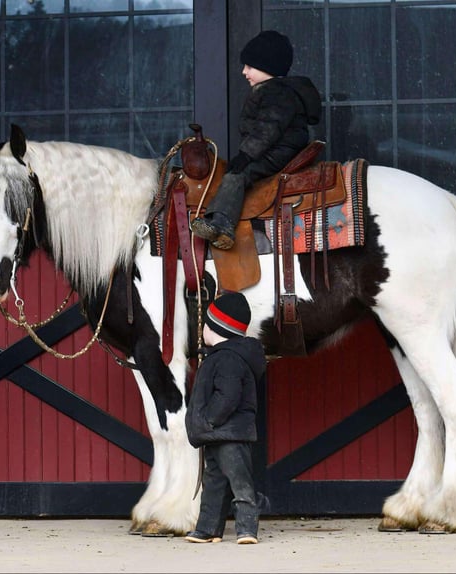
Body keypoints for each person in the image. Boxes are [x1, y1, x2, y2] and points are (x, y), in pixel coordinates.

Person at [190, 30, 322, 250]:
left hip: (278, 151)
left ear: (267, 66)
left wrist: (245, 155)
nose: (244, 72)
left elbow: (267, 129)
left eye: (249, 66)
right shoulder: (279, 91)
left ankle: (221, 223)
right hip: (279, 148)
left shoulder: (276, 94)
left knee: (238, 175)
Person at [184, 292, 268, 545]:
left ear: (216, 329)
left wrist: (209, 420)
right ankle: (208, 529)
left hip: (230, 434)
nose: (202, 330)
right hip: (218, 434)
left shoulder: (228, 358)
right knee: (214, 483)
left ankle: (246, 529)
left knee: (240, 483)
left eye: (206, 325)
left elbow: (228, 396)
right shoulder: (220, 356)